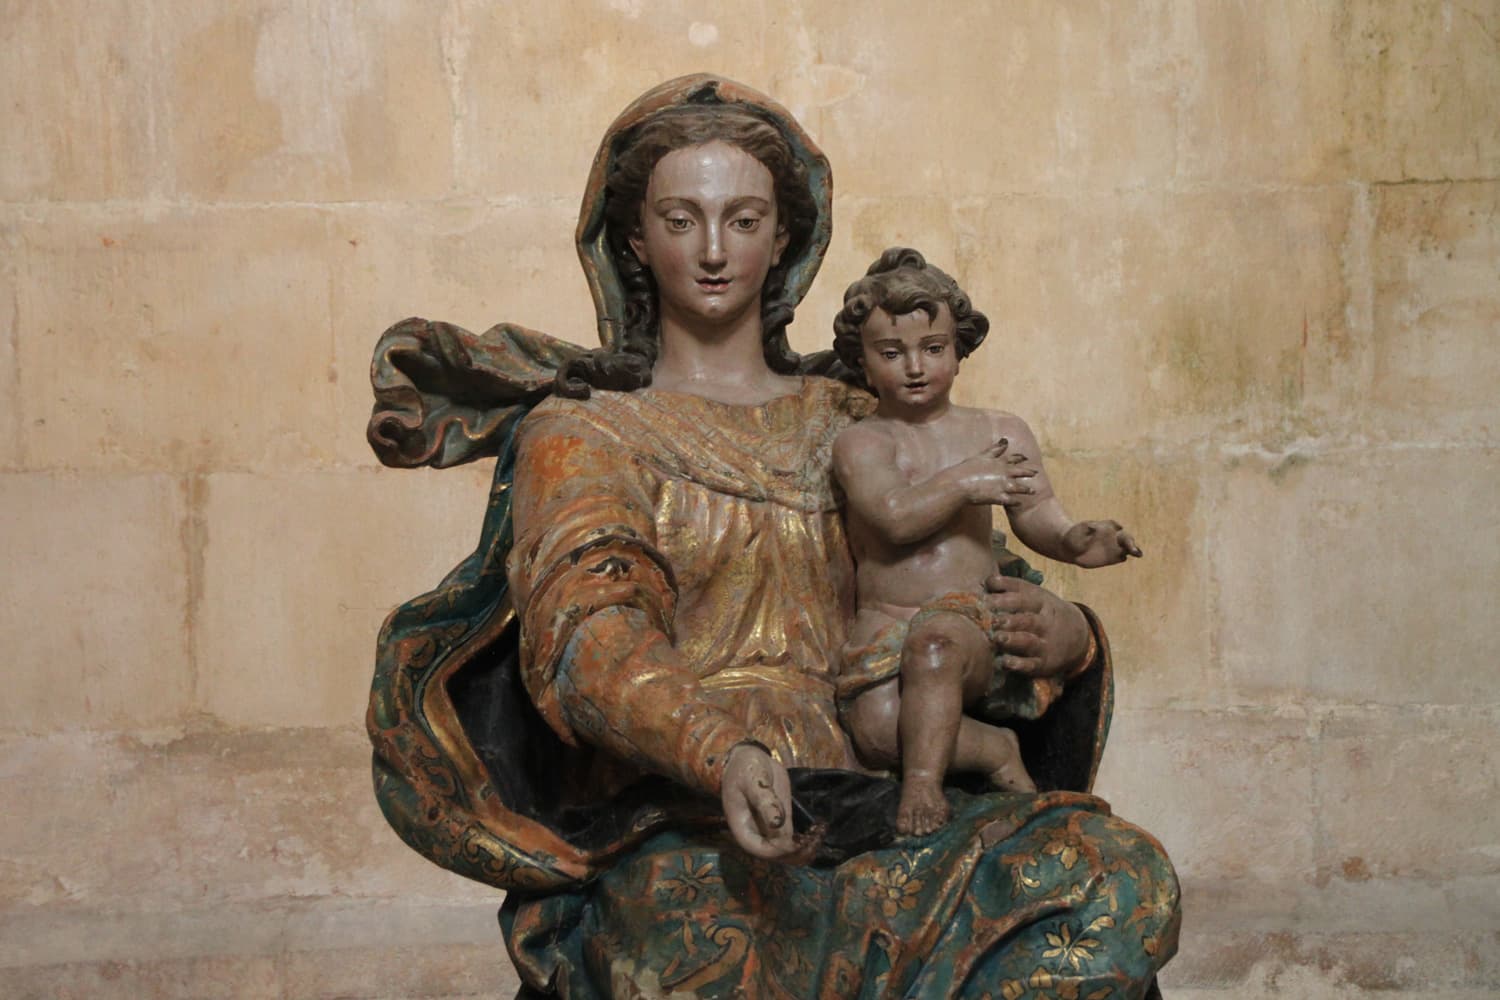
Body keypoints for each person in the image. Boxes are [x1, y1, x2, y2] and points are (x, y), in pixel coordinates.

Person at [366, 75, 1178, 999]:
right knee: (705, 954)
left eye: (744, 220)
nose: (714, 251)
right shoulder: (587, 432)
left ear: (784, 236)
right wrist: (723, 752)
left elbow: (965, 593)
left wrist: (1063, 640)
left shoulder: (860, 418)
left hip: (885, 785)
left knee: (1114, 878)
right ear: (633, 240)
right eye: (681, 220)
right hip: (685, 809)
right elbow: (591, 643)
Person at [831, 248, 1143, 837]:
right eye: (891, 353)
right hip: (885, 621)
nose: (915, 367)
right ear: (863, 362)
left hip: (965, 617)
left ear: (958, 349)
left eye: (933, 348)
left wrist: (1077, 540)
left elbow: (1037, 513)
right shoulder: (863, 443)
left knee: (936, 648)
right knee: (876, 731)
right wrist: (966, 481)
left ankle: (922, 791)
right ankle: (995, 749)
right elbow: (894, 518)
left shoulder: (997, 431)